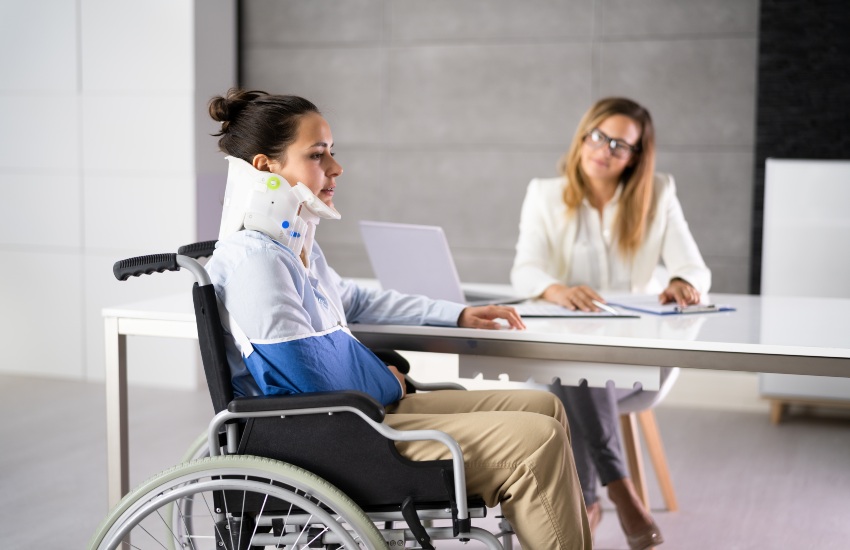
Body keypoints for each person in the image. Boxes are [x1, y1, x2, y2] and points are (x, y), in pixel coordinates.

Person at [204, 88, 592, 550]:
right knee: (537, 441)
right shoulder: (255, 261)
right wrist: (385, 381)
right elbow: (310, 377)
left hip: (355, 418)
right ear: (266, 168)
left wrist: (458, 313)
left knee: (545, 407)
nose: (336, 167)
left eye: (333, 152)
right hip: (333, 437)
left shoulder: (290, 247)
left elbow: (355, 301)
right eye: (317, 154)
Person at [511, 97, 711, 550]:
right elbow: (525, 270)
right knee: (575, 367)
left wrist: (682, 281)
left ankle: (592, 499)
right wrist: (557, 290)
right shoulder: (544, 193)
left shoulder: (658, 193)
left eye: (620, 145)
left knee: (573, 373)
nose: (604, 150)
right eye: (598, 136)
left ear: (636, 156)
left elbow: (695, 268)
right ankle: (618, 492)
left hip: (638, 365)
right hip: (569, 358)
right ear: (584, 136)